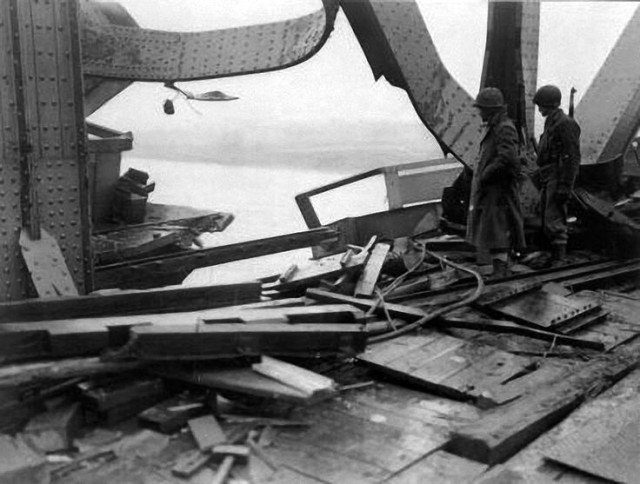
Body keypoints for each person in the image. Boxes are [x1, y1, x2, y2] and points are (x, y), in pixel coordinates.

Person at [467, 87, 526, 276]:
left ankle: (501, 272)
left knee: (498, 229)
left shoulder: (504, 127)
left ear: (491, 109)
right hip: (493, 189)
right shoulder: (496, 126)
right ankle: (499, 269)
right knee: (493, 230)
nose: (480, 112)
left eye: (482, 109)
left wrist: (486, 174)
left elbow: (507, 158)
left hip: (499, 190)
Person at [533, 85, 581, 263]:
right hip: (547, 175)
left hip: (557, 174)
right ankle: (555, 256)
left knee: (554, 218)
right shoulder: (552, 122)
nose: (539, 109)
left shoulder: (564, 124)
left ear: (551, 104)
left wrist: (565, 186)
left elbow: (571, 157)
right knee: (546, 216)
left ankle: (559, 260)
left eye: (542, 105)